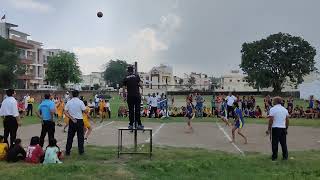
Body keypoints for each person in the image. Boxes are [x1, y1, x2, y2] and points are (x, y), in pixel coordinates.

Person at [266, 96, 289, 161]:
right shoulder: (284, 109)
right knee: (283, 143)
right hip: (283, 128)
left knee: (275, 143)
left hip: (276, 128)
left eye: (273, 100)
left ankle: (274, 157)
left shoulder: (273, 109)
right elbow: (287, 120)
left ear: (275, 102)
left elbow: (271, 120)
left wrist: (268, 129)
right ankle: (285, 157)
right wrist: (286, 128)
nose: (272, 102)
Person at [64, 90, 87, 156]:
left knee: (70, 137)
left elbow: (65, 112)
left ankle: (68, 151)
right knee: (80, 137)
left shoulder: (69, 102)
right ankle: (81, 151)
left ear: (72, 94)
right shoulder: (80, 102)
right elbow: (85, 111)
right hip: (79, 120)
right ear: (78, 95)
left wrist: (71, 118)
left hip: (72, 120)